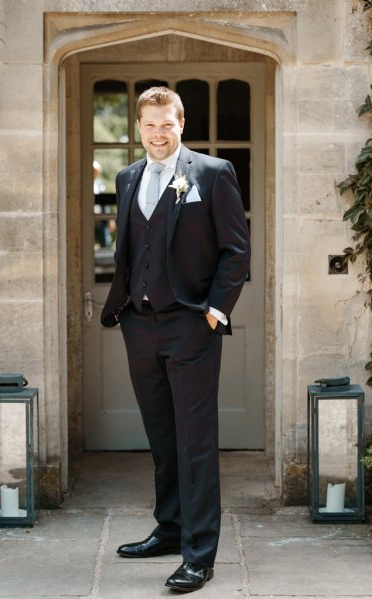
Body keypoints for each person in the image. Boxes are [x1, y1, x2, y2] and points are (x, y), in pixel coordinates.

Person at [101, 86, 250, 593]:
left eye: (167, 124)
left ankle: (199, 553)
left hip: (191, 326)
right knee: (163, 440)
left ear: (180, 124)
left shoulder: (212, 174)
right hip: (140, 327)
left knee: (196, 444)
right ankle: (169, 529)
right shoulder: (126, 178)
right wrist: (124, 312)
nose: (158, 133)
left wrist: (213, 313)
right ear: (138, 128)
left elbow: (235, 250)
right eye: (149, 125)